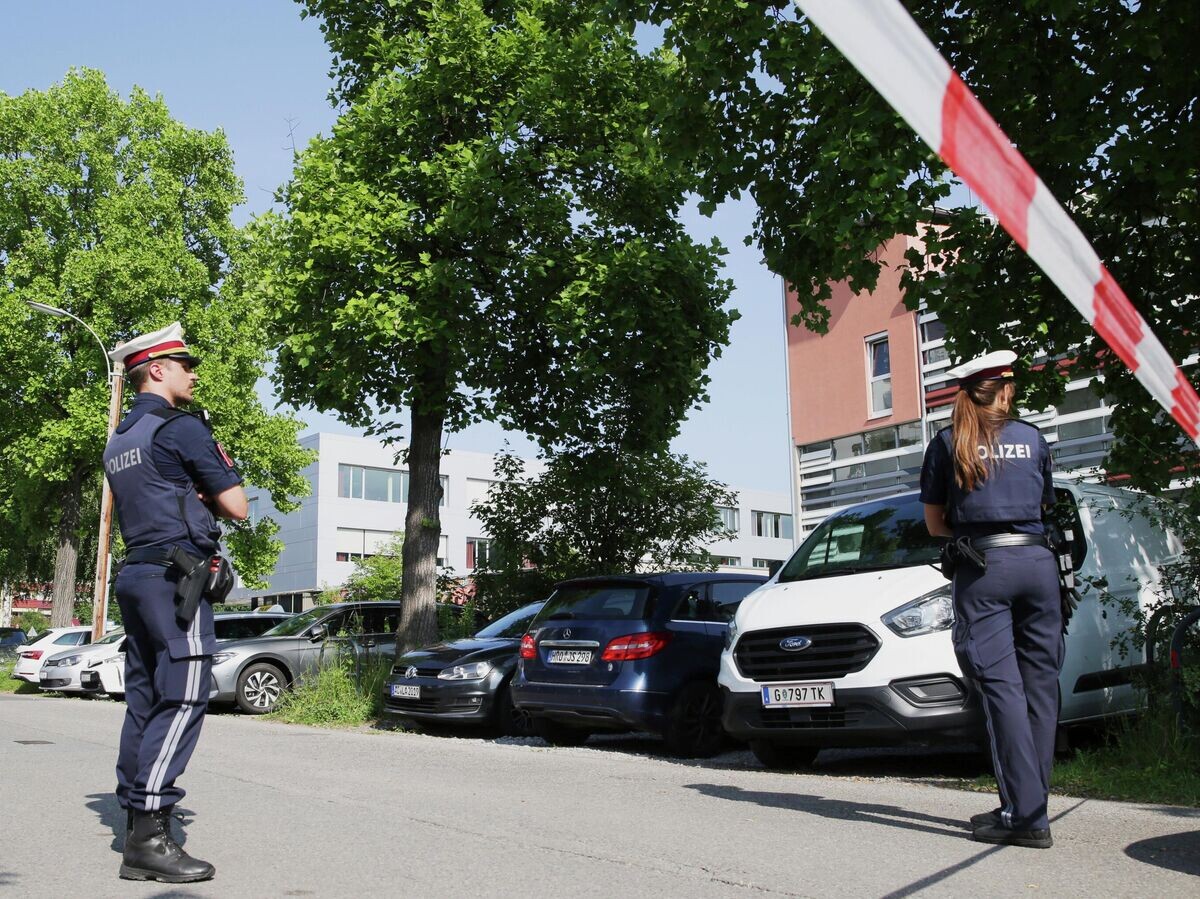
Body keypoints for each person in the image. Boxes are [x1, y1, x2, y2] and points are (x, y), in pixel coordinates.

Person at [102, 322, 248, 882]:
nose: (193, 373)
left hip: (137, 572)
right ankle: (150, 834)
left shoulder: (120, 439)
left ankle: (134, 814)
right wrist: (208, 488)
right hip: (175, 577)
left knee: (144, 697)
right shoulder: (181, 428)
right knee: (185, 694)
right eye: (185, 365)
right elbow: (236, 505)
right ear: (156, 370)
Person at [919, 349, 1062, 850]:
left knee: (1002, 689)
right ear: (1003, 390)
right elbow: (1044, 506)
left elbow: (935, 523)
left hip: (984, 570)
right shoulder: (1034, 438)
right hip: (1040, 566)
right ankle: (1029, 804)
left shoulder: (947, 443)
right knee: (1040, 685)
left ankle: (1024, 815)